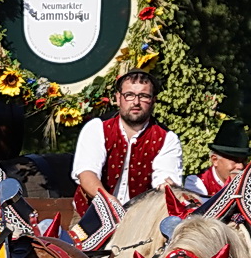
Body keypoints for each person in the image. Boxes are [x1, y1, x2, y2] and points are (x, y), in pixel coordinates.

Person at [71, 72, 183, 212]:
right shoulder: (97, 128)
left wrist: (165, 187)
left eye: (144, 96)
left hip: (139, 219)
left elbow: (165, 182)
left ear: (153, 100)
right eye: (129, 95)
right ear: (118, 98)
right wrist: (109, 202)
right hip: (91, 213)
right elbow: (87, 174)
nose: (136, 102)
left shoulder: (167, 138)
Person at [183, 119, 251, 198]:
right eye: (235, 160)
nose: (241, 166)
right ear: (215, 160)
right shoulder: (196, 183)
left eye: (244, 160)